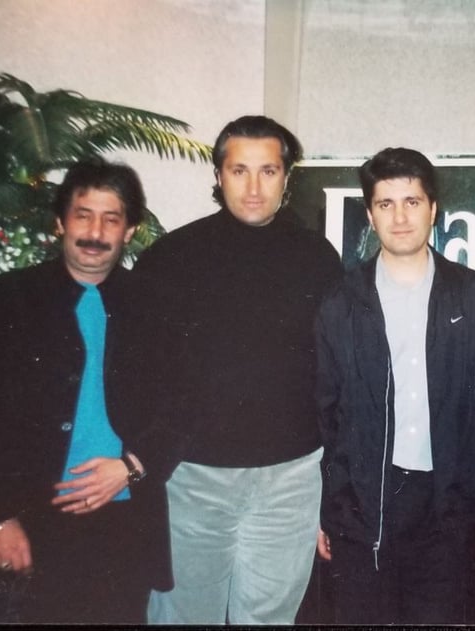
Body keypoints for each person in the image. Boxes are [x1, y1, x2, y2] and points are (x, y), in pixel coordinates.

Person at [136, 115, 343, 624]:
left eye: (268, 171)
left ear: (286, 177)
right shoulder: (171, 258)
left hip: (290, 480)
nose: (254, 187)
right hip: (194, 480)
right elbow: (141, 375)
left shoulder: (318, 259)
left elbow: (335, 374)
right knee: (184, 618)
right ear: (219, 175)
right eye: (239, 170)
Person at [0, 158, 172, 623]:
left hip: (124, 525)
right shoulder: (8, 298)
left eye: (111, 219)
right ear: (60, 222)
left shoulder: (155, 303)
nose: (95, 232)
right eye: (83, 215)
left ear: (129, 230)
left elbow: (181, 408)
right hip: (33, 521)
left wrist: (132, 467)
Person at [314, 148, 475, 624]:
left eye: (412, 202)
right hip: (364, 508)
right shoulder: (340, 302)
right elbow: (325, 415)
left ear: (433, 210)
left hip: (447, 509)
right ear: (370, 214)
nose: (399, 217)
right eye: (386, 204)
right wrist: (325, 510)